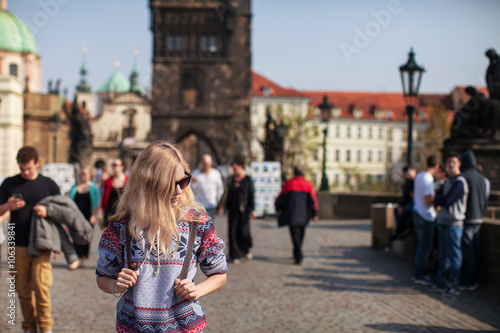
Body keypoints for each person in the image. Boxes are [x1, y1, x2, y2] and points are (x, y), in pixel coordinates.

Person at [96, 141, 227, 332]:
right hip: (134, 327)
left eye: (183, 181)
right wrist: (116, 284)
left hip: (184, 327)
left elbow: (219, 274)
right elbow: (102, 278)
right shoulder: (121, 226)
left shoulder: (197, 224)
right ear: (148, 183)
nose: (179, 190)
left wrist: (196, 290)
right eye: (170, 184)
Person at [0, 146, 60, 333]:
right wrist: (7, 206)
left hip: (42, 244)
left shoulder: (49, 185)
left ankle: (45, 328)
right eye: (22, 169)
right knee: (22, 291)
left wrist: (48, 211)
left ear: (37, 163)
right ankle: (28, 327)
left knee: (41, 288)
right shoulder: (9, 183)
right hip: (15, 243)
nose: (25, 172)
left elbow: (61, 214)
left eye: (29, 168)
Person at [430, 152, 468, 296]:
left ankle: (454, 283)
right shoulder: (448, 181)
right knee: (443, 254)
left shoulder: (460, 182)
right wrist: (440, 198)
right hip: (443, 221)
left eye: (453, 162)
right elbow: (438, 198)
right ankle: (440, 282)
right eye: (448, 162)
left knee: (454, 255)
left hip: (454, 223)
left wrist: (440, 199)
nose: (450, 165)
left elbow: (447, 200)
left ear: (459, 164)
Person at [275, 165, 319, 265]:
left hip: (291, 214)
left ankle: (297, 254)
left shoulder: (288, 184)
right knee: (301, 234)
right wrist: (314, 213)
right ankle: (298, 253)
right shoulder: (308, 185)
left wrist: (278, 209)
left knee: (295, 235)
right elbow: (313, 201)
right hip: (304, 215)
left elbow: (280, 199)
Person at [459, 150, 488, 290]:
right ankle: (476, 277)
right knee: (476, 248)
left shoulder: (464, 177)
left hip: (468, 217)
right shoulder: (483, 179)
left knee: (467, 250)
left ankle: (469, 280)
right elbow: (486, 199)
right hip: (479, 217)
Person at [220, 157, 257, 264]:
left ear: (241, 167)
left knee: (244, 232)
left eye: (235, 168)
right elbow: (226, 194)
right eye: (233, 168)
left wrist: (252, 209)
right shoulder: (231, 179)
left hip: (244, 210)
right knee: (232, 232)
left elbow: (251, 195)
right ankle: (234, 254)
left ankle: (246, 249)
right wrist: (222, 206)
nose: (234, 170)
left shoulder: (247, 179)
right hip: (232, 209)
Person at [412, 155, 440, 285]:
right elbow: (428, 200)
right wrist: (439, 197)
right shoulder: (428, 179)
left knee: (420, 244)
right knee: (424, 246)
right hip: (426, 216)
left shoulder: (419, 176)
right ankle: (420, 273)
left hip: (417, 212)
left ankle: (418, 271)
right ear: (436, 166)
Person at [68, 167, 100, 268]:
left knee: (86, 237)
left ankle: (82, 259)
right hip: (76, 216)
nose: (82, 176)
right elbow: (70, 201)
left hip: (87, 216)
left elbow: (95, 203)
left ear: (89, 175)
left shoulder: (93, 188)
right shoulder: (74, 187)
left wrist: (94, 215)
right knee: (75, 236)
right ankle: (75, 258)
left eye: (84, 174)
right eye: (81, 174)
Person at [191, 154, 224, 221]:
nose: (206, 166)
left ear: (211, 163)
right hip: (199, 206)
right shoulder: (195, 174)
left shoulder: (216, 174)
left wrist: (219, 205)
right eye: (204, 163)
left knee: (210, 228)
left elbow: (220, 190)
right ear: (201, 163)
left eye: (207, 164)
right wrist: (193, 184)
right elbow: (190, 191)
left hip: (211, 205)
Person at [390, 165, 416, 241]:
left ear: (414, 170)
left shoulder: (416, 181)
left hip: (415, 204)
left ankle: (400, 231)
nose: (407, 175)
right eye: (406, 173)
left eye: (409, 173)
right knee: (397, 210)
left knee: (405, 211)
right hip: (409, 203)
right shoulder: (407, 183)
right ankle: (400, 230)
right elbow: (405, 197)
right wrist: (401, 205)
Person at [101, 158, 128, 227]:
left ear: (122, 167)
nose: (114, 167)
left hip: (123, 212)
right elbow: (104, 197)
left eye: (116, 165)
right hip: (110, 213)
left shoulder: (128, 180)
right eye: (113, 165)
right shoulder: (108, 181)